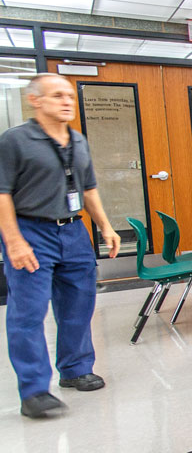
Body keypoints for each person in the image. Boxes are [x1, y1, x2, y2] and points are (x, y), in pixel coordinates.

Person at [0, 73, 120, 419]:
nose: (67, 101)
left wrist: (105, 227)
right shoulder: (15, 141)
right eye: (57, 95)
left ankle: (76, 368)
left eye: (69, 95)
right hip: (31, 230)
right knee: (28, 311)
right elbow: (2, 194)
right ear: (34, 100)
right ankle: (35, 389)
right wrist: (14, 242)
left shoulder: (78, 140)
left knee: (79, 304)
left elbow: (89, 188)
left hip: (73, 231)